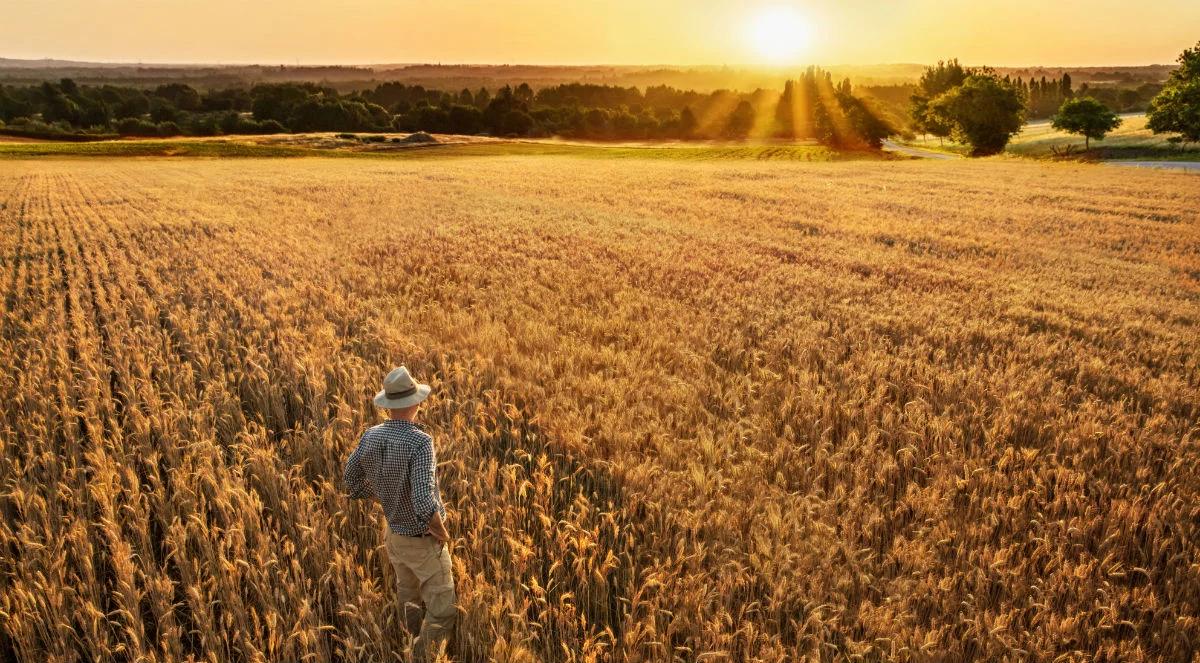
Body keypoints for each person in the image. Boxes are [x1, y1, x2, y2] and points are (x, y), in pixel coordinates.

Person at [344, 366, 455, 660]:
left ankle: (406, 642)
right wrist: (440, 531)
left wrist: (381, 495)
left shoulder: (371, 435)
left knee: (408, 594)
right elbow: (422, 500)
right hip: (421, 539)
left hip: (393, 534)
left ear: (390, 405)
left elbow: (350, 481)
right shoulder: (420, 442)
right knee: (443, 611)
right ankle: (418, 656)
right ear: (415, 404)